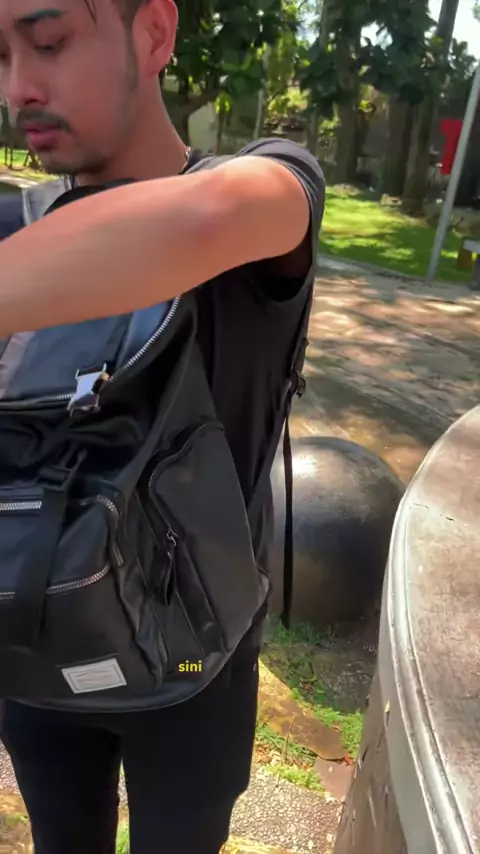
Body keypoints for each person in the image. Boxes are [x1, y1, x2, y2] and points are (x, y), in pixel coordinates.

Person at [0, 1, 325, 852]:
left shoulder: (267, 183)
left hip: (197, 665)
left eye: (48, 41)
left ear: (153, 33)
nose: (18, 87)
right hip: (35, 637)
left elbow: (208, 215)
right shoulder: (17, 227)